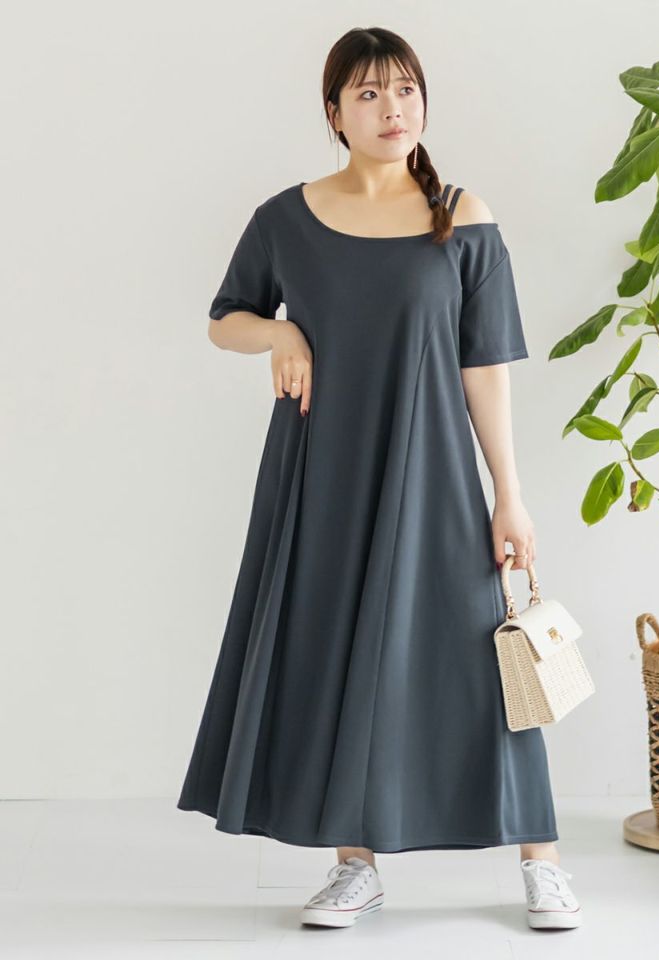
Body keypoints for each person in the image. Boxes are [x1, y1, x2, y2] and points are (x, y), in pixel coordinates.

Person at [177, 25, 582, 932]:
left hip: (435, 473)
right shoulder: (286, 219)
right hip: (319, 473)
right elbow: (225, 318)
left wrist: (509, 495)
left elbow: (485, 367)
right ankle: (355, 864)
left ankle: (543, 862)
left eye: (404, 89)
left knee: (484, 660)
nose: (391, 108)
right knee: (335, 649)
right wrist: (278, 332)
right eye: (368, 93)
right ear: (334, 113)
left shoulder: (463, 217)